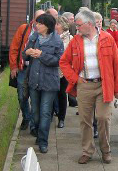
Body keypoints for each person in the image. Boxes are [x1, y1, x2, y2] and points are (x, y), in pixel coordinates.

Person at [60, 9, 118, 164]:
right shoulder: (76, 40)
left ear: (89, 24)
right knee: (85, 120)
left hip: (104, 85)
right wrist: (75, 78)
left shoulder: (107, 39)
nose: (76, 28)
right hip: (85, 85)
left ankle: (105, 150)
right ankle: (87, 151)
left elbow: (117, 65)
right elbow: (63, 62)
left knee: (103, 118)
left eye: (79, 25)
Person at [22, 13, 64, 154]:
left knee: (46, 112)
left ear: (47, 26)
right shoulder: (34, 37)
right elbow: (24, 54)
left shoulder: (57, 40)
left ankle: (43, 141)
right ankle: (38, 133)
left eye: (40, 23)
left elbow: (59, 60)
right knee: (35, 112)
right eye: (37, 23)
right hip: (34, 80)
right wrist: (27, 52)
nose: (37, 25)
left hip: (49, 82)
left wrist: (41, 55)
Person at [9, 9, 45, 131]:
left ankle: (35, 124)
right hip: (23, 69)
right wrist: (13, 66)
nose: (40, 22)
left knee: (36, 98)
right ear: (33, 19)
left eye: (42, 19)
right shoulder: (24, 29)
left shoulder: (47, 32)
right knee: (21, 96)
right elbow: (14, 47)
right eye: (38, 19)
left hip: (38, 70)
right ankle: (26, 117)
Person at [55, 14, 72, 128]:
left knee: (62, 95)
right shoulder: (51, 36)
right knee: (51, 94)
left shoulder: (70, 39)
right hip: (51, 70)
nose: (55, 26)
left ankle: (62, 118)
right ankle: (53, 113)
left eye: (57, 24)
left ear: (62, 25)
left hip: (64, 72)